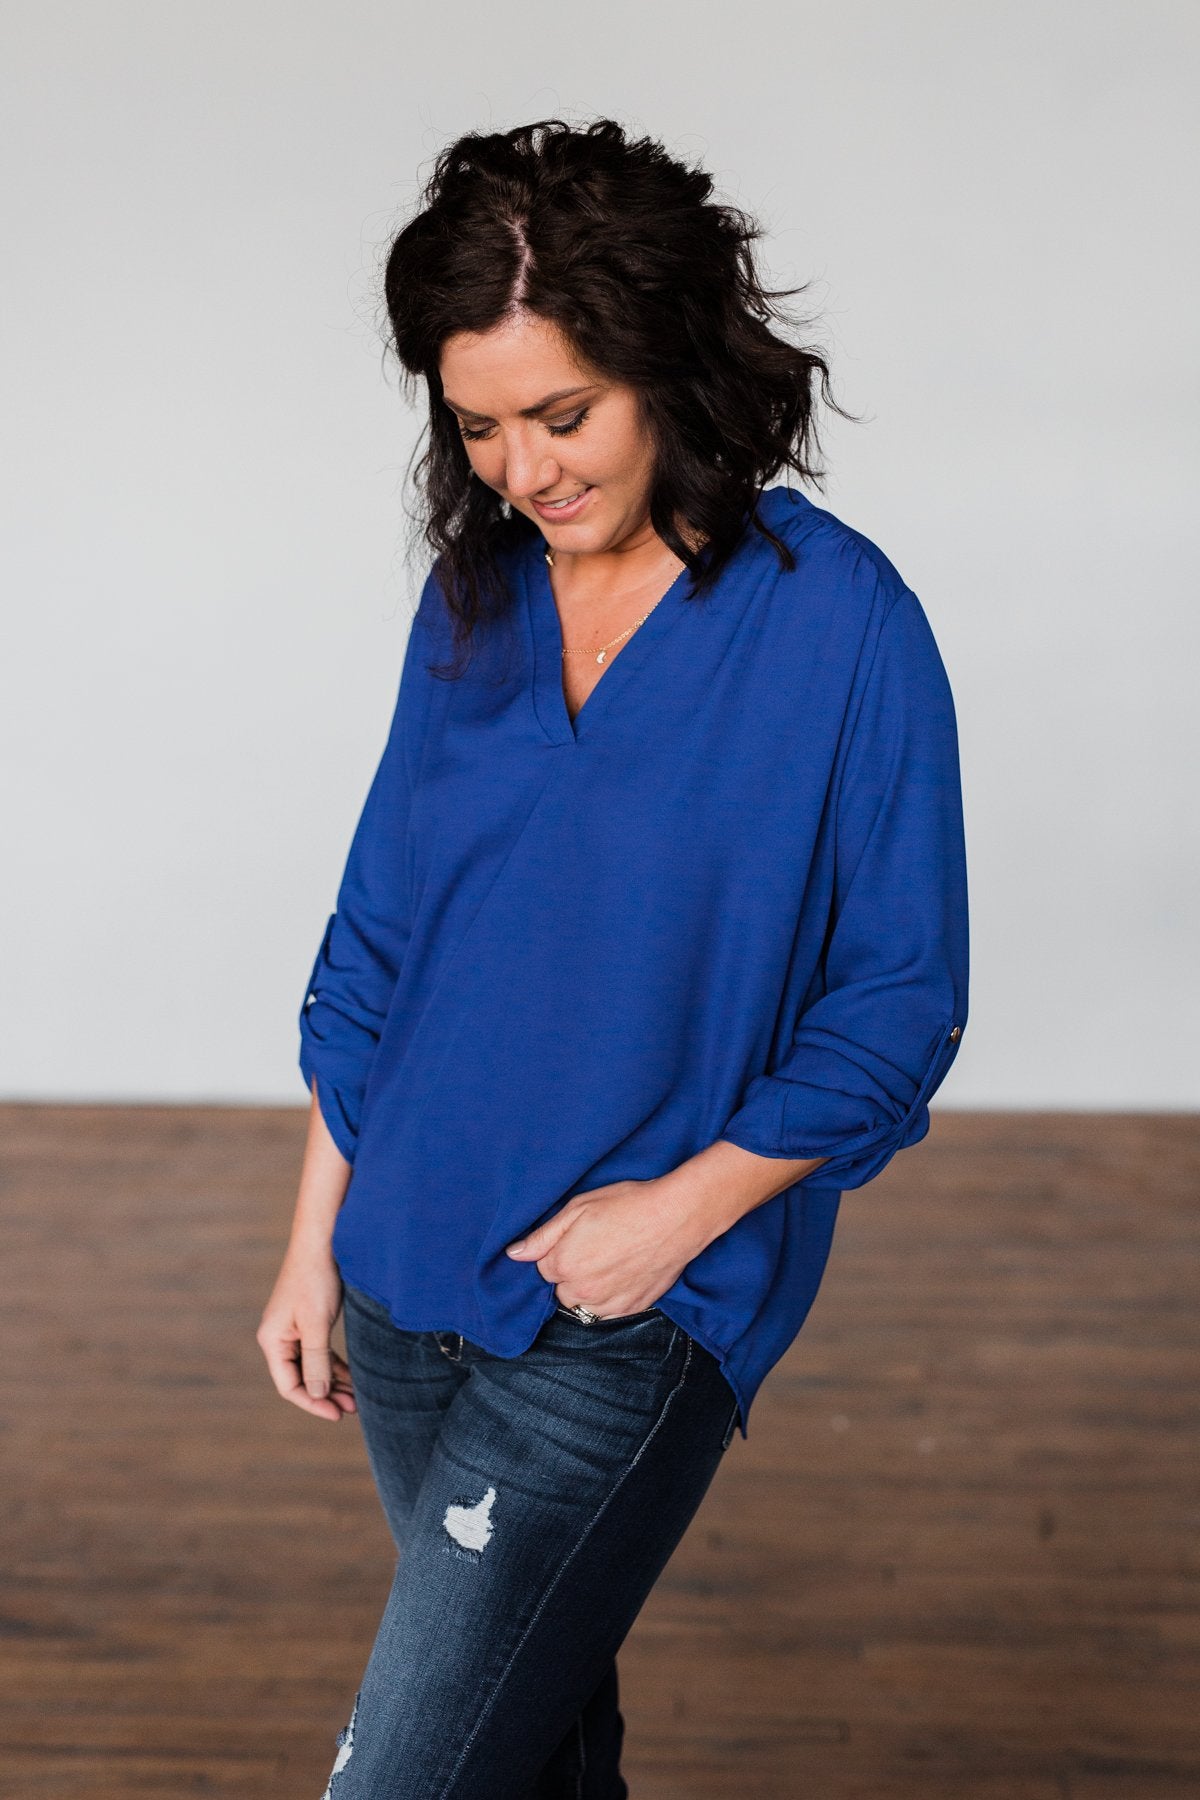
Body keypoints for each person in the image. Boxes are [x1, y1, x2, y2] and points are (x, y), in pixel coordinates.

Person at [257, 116, 970, 1800]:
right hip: (406, 1273)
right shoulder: (473, 606)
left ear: (668, 366)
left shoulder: (838, 621)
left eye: (564, 414)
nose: (524, 469)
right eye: (479, 425)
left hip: (631, 1310)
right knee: (532, 1757)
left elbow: (897, 1003)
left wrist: (678, 1217)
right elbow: (379, 945)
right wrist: (311, 1245)